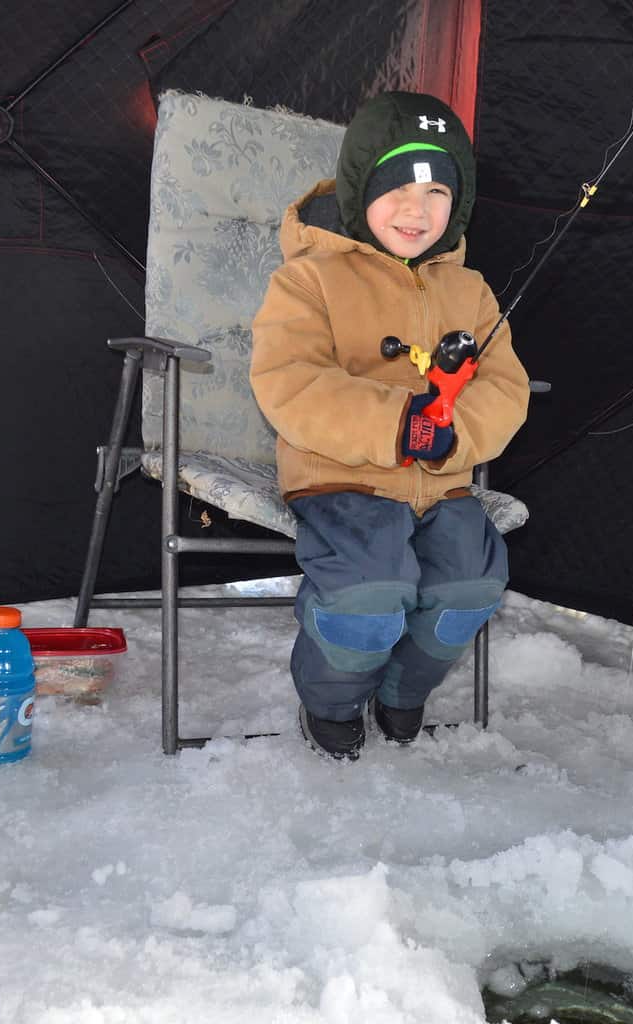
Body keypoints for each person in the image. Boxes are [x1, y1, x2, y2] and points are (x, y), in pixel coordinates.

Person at [250, 91, 530, 760]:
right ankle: (333, 701)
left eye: (438, 191)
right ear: (359, 190)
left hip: (442, 485)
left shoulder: (473, 292)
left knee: (469, 587)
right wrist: (398, 423)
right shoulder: (307, 280)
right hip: (340, 479)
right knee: (370, 597)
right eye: (396, 185)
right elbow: (290, 381)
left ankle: (403, 691)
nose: (417, 208)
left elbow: (506, 387)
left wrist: (455, 434)